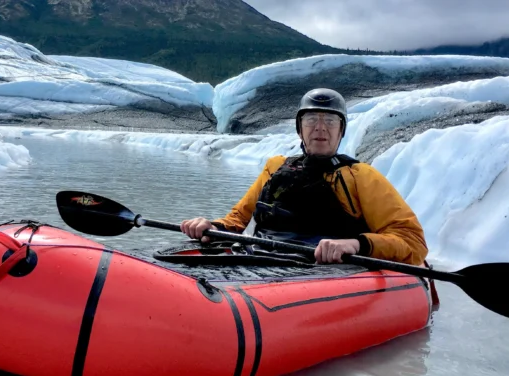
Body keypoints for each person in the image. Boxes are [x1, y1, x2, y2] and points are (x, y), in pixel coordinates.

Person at [180, 88, 428, 265]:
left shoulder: (361, 176)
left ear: (341, 130)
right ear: (300, 128)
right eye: (311, 119)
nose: (320, 128)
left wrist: (355, 244)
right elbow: (237, 220)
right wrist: (212, 226)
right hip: (260, 260)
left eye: (330, 120)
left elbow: (413, 243)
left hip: (322, 271)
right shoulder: (276, 167)